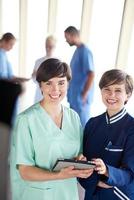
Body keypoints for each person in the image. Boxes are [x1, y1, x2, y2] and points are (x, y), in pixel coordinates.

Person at [10, 58, 93, 200]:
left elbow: (78, 154)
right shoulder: (26, 120)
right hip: (39, 194)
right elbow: (24, 171)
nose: (55, 90)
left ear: (68, 84)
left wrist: (81, 161)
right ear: (40, 86)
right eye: (48, 83)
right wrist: (58, 175)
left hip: (68, 192)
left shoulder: (74, 117)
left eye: (61, 83)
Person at [79, 69, 134, 200]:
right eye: (107, 89)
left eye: (118, 90)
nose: (111, 95)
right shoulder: (92, 124)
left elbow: (130, 174)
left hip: (118, 196)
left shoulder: (131, 128)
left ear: (128, 94)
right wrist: (93, 181)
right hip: (92, 194)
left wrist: (106, 171)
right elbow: (83, 165)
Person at [64, 26, 95, 127]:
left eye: (67, 37)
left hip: (81, 97)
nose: (66, 40)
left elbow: (91, 74)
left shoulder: (85, 51)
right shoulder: (77, 51)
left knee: (81, 125)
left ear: (73, 35)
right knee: (74, 124)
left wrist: (84, 93)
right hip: (75, 96)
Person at [32, 35, 57, 103]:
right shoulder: (38, 61)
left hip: (53, 93)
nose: (48, 48)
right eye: (47, 46)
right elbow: (34, 78)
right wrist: (34, 75)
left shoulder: (58, 62)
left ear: (54, 47)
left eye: (50, 46)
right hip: (40, 94)